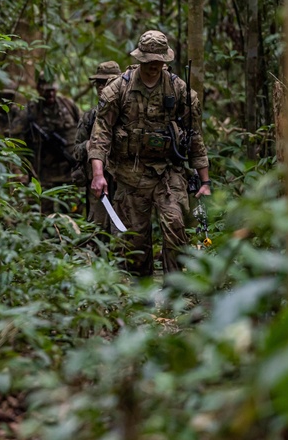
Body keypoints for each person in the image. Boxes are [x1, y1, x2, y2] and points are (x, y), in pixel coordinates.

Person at [87, 30, 211, 277]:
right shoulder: (118, 89)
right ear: (140, 58)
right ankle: (141, 293)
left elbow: (194, 135)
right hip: (130, 174)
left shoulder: (178, 89)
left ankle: (175, 291)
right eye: (149, 61)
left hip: (168, 172)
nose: (154, 65)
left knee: (175, 225)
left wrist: (205, 180)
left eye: (159, 61)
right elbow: (101, 133)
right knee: (134, 240)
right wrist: (98, 173)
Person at [72, 60, 123, 230]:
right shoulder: (90, 117)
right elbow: (76, 150)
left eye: (107, 82)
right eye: (99, 83)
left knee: (124, 233)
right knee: (97, 230)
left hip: (124, 184)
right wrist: (89, 146)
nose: (102, 87)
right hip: (98, 186)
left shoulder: (128, 115)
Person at [22, 74, 80, 200]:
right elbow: (18, 137)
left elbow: (84, 128)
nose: (50, 94)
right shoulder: (31, 110)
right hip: (43, 175)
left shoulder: (68, 105)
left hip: (69, 171)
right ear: (39, 89)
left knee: (73, 211)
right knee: (44, 212)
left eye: (53, 90)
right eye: (47, 91)